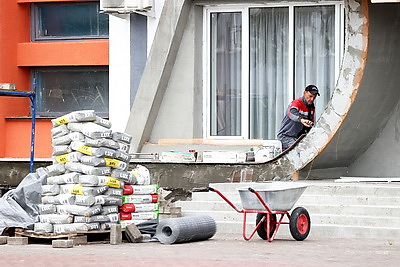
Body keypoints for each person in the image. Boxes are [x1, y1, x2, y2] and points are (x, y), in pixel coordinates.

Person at [277, 85, 320, 151]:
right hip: (285, 136)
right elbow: (291, 112)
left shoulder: (311, 107)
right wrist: (301, 120)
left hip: (298, 138)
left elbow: (310, 123)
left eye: (314, 97)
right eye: (310, 96)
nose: (312, 99)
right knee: (299, 150)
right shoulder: (296, 103)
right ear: (305, 93)